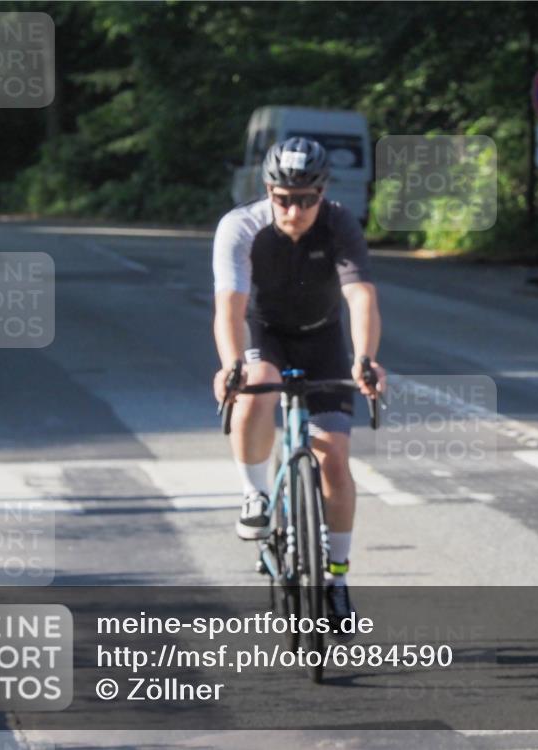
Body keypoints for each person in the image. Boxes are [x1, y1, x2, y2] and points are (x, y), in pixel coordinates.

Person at [212, 136, 386, 631]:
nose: (294, 209)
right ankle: (255, 494)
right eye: (283, 198)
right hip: (263, 335)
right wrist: (230, 364)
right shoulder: (239, 227)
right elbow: (229, 308)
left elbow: (360, 297)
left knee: (333, 456)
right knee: (255, 384)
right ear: (268, 190)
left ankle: (336, 580)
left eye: (306, 198)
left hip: (321, 339)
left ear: (322, 193)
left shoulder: (338, 224)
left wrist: (366, 358)